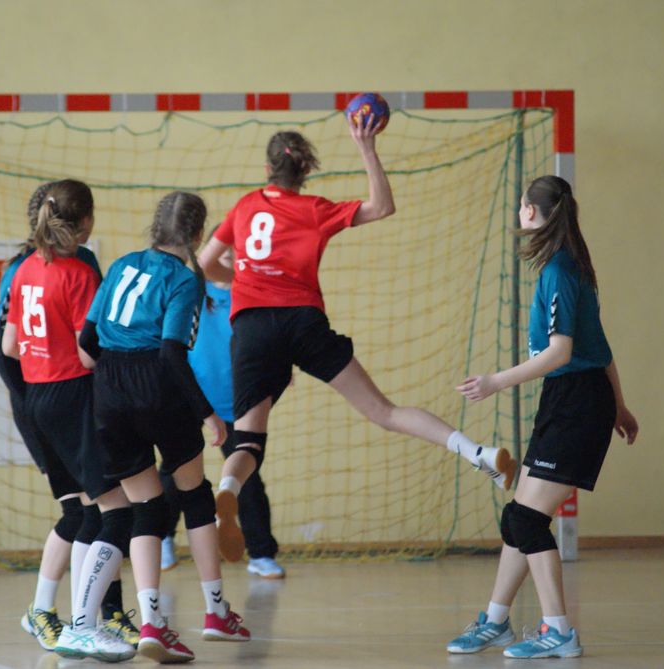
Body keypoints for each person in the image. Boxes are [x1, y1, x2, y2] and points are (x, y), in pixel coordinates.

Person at [197, 118, 516, 562]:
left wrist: (245, 278)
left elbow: (204, 264)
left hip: (252, 328)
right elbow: (382, 207)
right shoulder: (314, 208)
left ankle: (228, 491)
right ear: (305, 170)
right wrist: (366, 147)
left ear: (268, 169)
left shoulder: (245, 206)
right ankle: (477, 451)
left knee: (248, 439)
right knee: (384, 411)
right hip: (303, 322)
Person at [447, 175, 639, 659]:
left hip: (577, 401)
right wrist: (619, 404)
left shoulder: (560, 270)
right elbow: (602, 348)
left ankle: (559, 631)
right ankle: (496, 621)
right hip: (573, 398)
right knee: (519, 518)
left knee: (527, 520)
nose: (519, 213)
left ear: (532, 212)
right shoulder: (570, 265)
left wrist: (495, 381)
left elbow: (561, 352)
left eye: (521, 206)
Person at [80, 191, 251, 664]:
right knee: (195, 495)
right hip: (155, 383)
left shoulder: (121, 264)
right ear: (197, 235)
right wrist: (207, 413)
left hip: (109, 387)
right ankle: (216, 612)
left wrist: (111, 379)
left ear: (155, 228)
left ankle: (152, 621)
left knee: (146, 508)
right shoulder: (183, 278)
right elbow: (172, 353)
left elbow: (87, 340)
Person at [0, 182, 137, 652]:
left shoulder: (23, 269)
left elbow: (10, 346)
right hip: (73, 396)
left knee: (85, 512)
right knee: (117, 510)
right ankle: (83, 624)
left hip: (37, 398)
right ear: (86, 221)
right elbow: (88, 352)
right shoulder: (77, 273)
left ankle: (74, 615)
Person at [160, 242, 284, 578]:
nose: (228, 255)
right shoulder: (194, 292)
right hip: (192, 397)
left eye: (235, 251)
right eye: (222, 250)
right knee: (175, 470)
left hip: (235, 400)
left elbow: (270, 337)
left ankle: (261, 553)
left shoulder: (252, 295)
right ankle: (162, 538)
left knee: (247, 477)